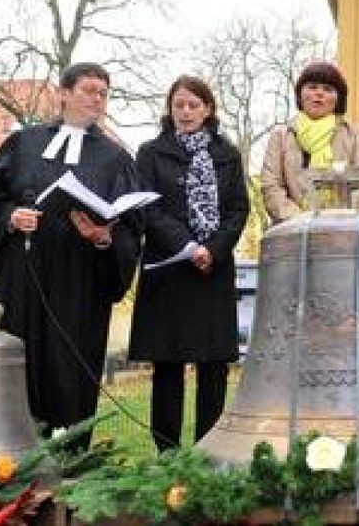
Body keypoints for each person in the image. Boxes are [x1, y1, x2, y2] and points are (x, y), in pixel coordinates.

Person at [0, 62, 142, 436]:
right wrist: (12, 217)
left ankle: (70, 459)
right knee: (17, 364)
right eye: (89, 90)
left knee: (69, 372)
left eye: (104, 93)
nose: (98, 99)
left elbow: (129, 228)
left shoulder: (116, 158)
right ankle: (9, 458)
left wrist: (102, 237)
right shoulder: (22, 143)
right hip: (20, 277)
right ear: (63, 94)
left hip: (79, 284)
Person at [129, 76, 250, 450]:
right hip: (169, 270)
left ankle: (208, 449)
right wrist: (185, 244)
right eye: (178, 105)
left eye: (193, 105)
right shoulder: (150, 153)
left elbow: (238, 208)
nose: (185, 112)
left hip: (211, 272)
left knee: (213, 367)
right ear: (170, 108)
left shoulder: (227, 154)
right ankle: (167, 452)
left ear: (208, 110)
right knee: (169, 366)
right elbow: (147, 206)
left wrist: (211, 249)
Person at [261, 61, 359, 222]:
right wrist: (301, 219)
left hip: (345, 230)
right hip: (292, 228)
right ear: (300, 94)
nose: (319, 93)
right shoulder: (281, 136)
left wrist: (350, 221)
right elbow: (271, 185)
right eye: (312, 87)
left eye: (328, 89)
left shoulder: (355, 134)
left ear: (339, 99)